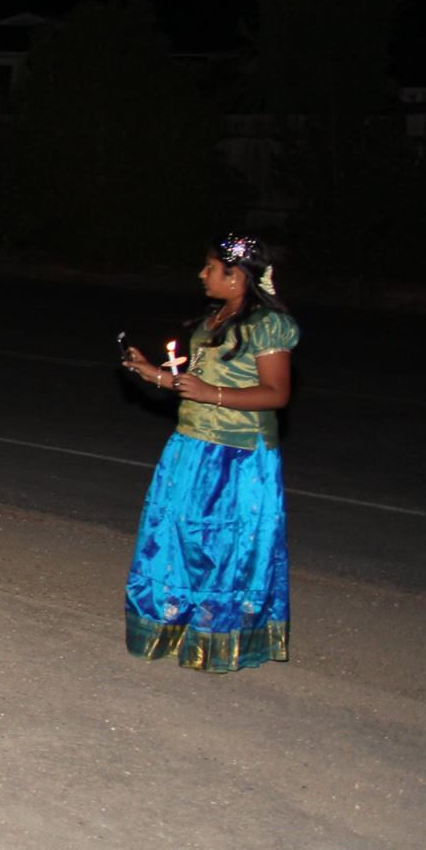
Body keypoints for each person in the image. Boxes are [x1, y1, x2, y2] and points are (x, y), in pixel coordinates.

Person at [120, 232, 298, 673]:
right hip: (192, 447)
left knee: (221, 547)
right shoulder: (214, 320)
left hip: (236, 458)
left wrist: (211, 393)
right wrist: (151, 374)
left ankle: (217, 637)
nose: (202, 275)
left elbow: (276, 394)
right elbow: (193, 385)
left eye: (211, 268)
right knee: (175, 538)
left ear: (237, 277)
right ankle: (173, 626)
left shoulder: (266, 325)